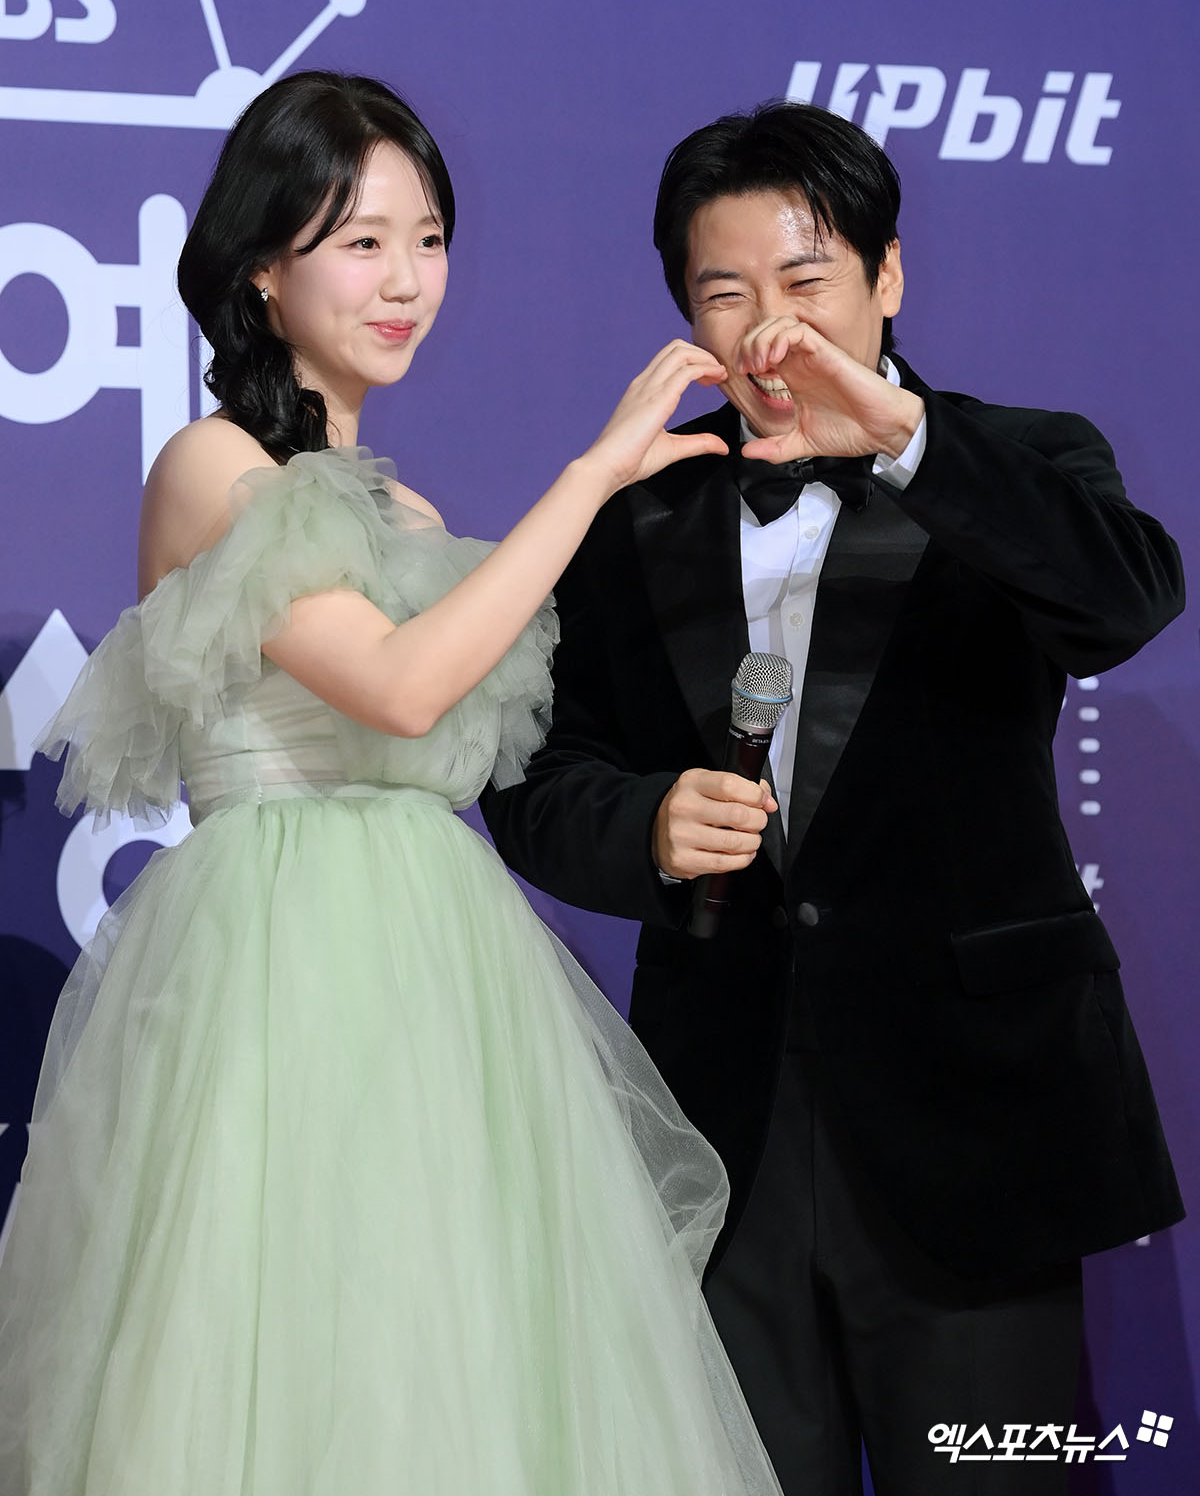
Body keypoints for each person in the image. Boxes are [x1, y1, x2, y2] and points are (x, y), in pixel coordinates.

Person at [0, 72, 788, 1496]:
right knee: (288, 1355)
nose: (407, 281)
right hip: (278, 973)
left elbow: (460, 727)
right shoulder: (211, 466)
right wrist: (595, 474)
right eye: (361, 241)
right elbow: (402, 686)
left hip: (446, 977)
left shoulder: (410, 514)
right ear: (263, 264)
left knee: (459, 1364)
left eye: (427, 239)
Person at [481, 101, 1186, 1495]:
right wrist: (647, 828)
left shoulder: (1021, 460)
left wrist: (904, 437)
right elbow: (530, 775)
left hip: (973, 1139)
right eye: (725, 294)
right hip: (721, 1139)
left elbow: (1124, 599)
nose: (770, 332)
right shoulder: (638, 506)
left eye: (805, 282)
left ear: (888, 275)